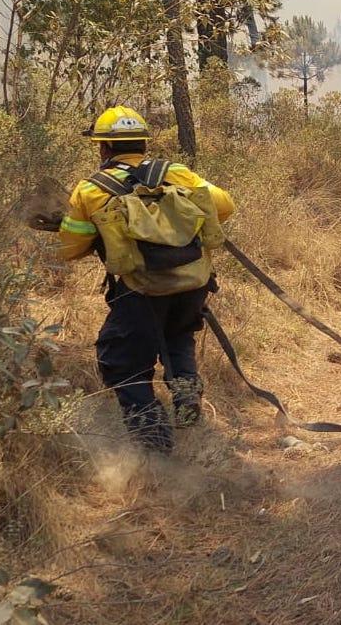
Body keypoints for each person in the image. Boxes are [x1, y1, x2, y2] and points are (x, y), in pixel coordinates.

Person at [58, 106, 235, 453]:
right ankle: (184, 391)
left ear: (103, 149)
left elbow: (71, 249)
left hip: (140, 290)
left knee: (121, 362)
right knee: (178, 333)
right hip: (192, 283)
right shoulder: (177, 173)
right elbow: (224, 206)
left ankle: (155, 447)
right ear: (142, 143)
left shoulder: (91, 190)